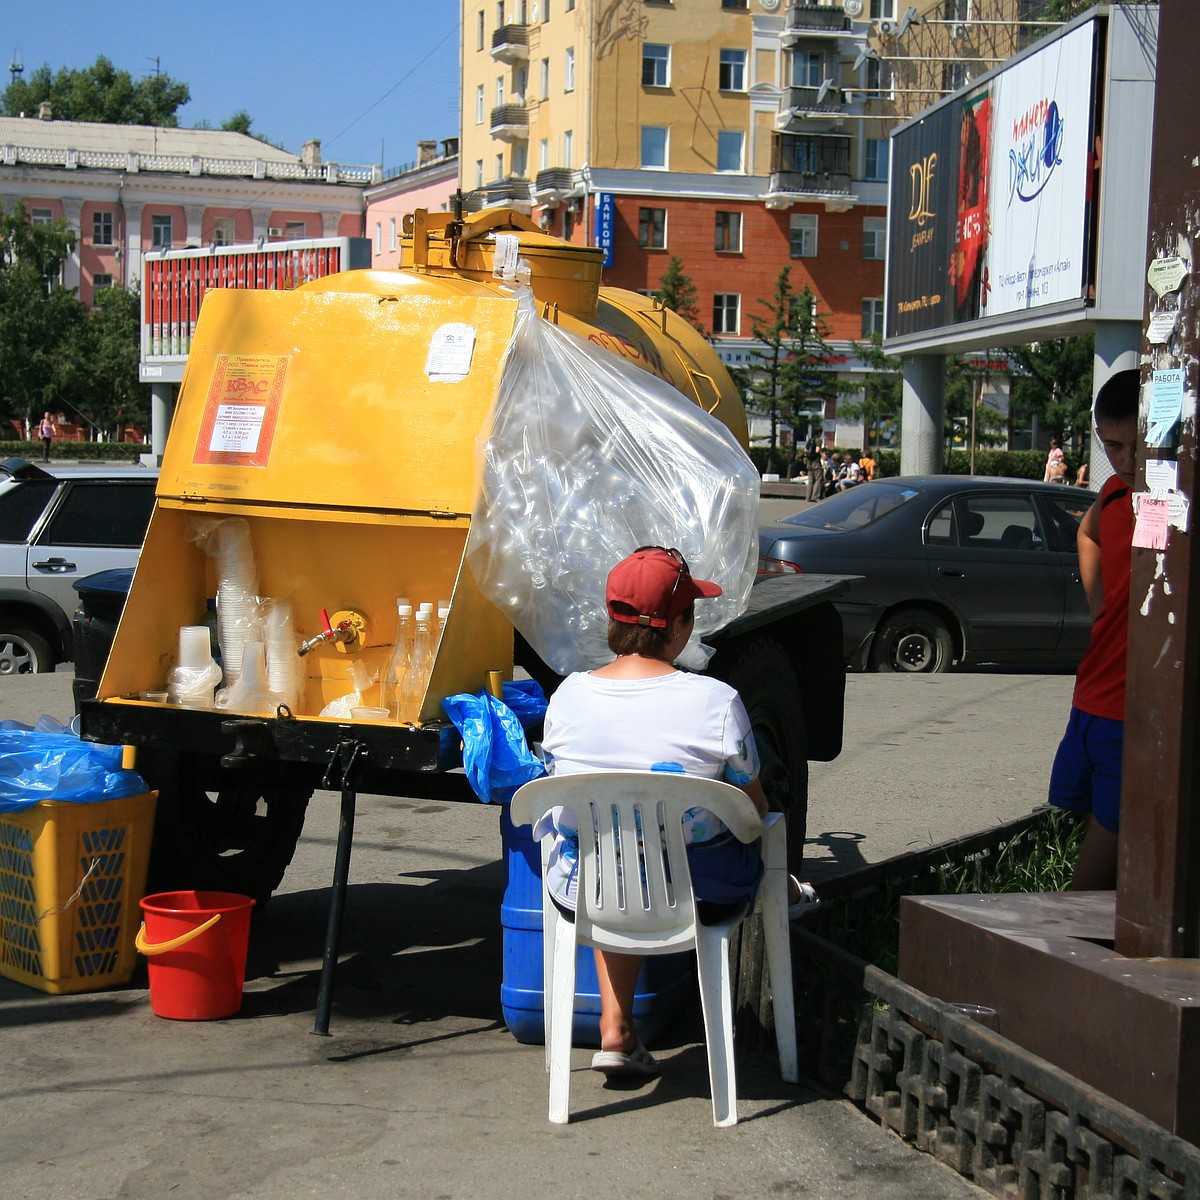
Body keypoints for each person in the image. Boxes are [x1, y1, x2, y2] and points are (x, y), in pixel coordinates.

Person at [537, 546, 817, 1076]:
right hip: (700, 891)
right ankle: (786, 889)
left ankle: (616, 1030)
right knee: (739, 834)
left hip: (587, 890)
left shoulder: (569, 697)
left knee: (612, 855)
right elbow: (751, 813)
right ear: (679, 625)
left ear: (612, 619)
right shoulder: (715, 701)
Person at [1047, 370, 1138, 890]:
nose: (1125, 460)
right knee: (1103, 874)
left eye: (1136, 446)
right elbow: (1088, 533)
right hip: (1092, 699)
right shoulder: (1114, 493)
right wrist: (1100, 605)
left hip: (1132, 713)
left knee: (1087, 888)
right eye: (1112, 446)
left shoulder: (1178, 501)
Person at [805, 435, 824, 503]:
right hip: (815, 462)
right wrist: (821, 451)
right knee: (818, 479)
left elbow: (805, 450)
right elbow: (817, 450)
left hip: (809, 463)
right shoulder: (818, 440)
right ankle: (815, 496)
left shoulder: (810, 440)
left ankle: (808, 497)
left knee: (810, 481)